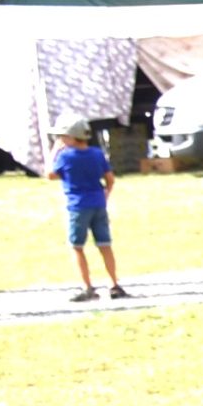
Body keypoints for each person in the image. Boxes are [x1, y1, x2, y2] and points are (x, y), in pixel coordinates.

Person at [50, 118, 126, 300]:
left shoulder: (65, 156)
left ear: (71, 137)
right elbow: (110, 178)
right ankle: (114, 284)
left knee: (77, 246)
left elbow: (50, 174)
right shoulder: (97, 154)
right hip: (98, 203)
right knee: (104, 244)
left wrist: (54, 151)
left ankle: (88, 287)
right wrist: (105, 194)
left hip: (77, 206)